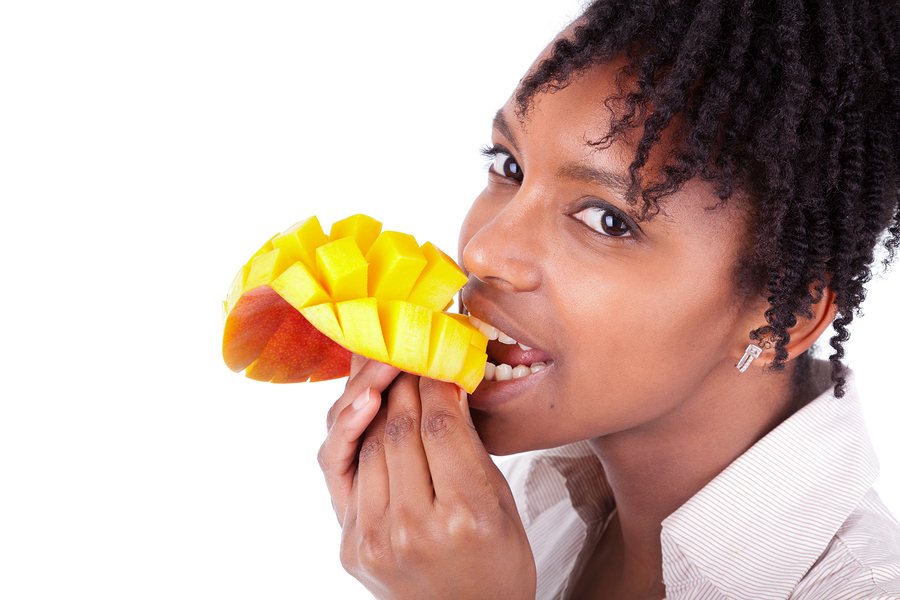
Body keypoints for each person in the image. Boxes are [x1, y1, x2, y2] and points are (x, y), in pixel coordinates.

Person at [317, 0, 900, 598]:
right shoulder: (504, 515)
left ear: (786, 316)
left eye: (608, 220)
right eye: (509, 165)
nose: (485, 252)